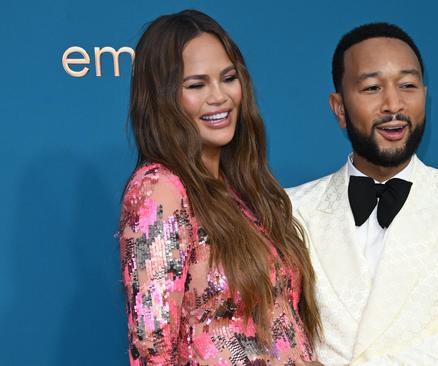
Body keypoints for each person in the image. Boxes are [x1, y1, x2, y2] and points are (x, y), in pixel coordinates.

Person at [288, 23, 438, 366]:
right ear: (339, 107)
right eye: (372, 87)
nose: (393, 104)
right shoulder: (290, 209)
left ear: (425, 94)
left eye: (407, 85)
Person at [118, 10, 323, 366]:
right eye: (196, 85)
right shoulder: (160, 190)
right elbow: (152, 351)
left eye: (228, 78)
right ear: (162, 98)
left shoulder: (245, 188)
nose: (220, 97)